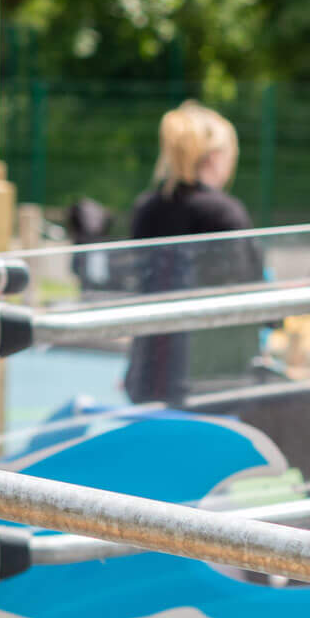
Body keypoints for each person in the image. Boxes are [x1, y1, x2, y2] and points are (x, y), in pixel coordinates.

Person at [124, 102, 263, 404]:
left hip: (151, 372)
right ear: (215, 157)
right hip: (211, 380)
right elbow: (248, 294)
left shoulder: (147, 208)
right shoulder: (224, 214)